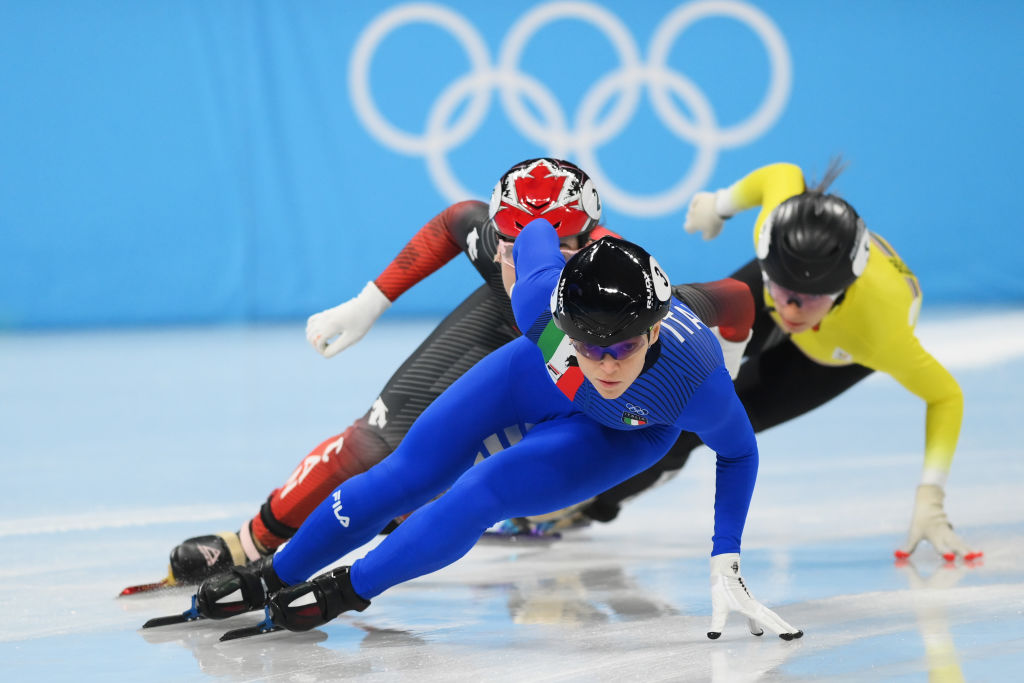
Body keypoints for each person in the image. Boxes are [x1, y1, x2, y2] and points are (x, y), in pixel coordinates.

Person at [185, 219, 802, 640]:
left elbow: (739, 451)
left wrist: (727, 561)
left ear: (656, 331)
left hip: (624, 433)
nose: (608, 363)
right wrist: (536, 237)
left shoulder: (694, 384)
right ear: (561, 320)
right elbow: (532, 226)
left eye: (624, 346)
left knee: (481, 493)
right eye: (591, 346)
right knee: (402, 474)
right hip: (531, 374)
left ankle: (347, 590)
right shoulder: (538, 303)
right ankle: (275, 571)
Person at [163, 158, 755, 585]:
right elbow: (457, 221)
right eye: (509, 245)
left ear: (588, 240)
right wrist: (368, 303)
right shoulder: (510, 256)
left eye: (543, 246)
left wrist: (720, 367)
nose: (522, 257)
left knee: (498, 472)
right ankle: (252, 542)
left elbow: (719, 303)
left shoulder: (613, 291)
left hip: (572, 355)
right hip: (511, 334)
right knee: (374, 444)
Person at [570, 161, 979, 563]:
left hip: (834, 353)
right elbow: (782, 175)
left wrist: (932, 496)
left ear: (843, 287)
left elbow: (946, 396)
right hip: (772, 298)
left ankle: (587, 506)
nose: (792, 310)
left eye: (811, 297)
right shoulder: (779, 232)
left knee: (693, 424)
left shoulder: (880, 333)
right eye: (783, 290)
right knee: (659, 354)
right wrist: (721, 204)